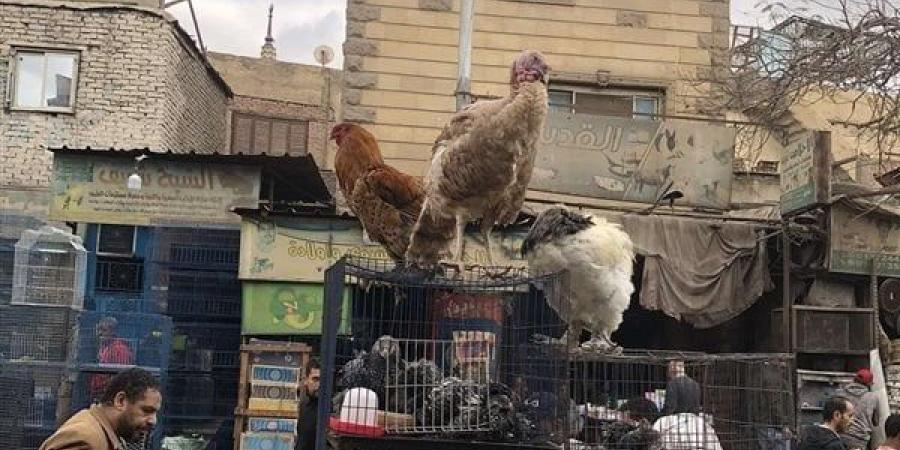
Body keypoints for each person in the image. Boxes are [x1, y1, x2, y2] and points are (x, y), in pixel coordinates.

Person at [40, 368, 161, 450]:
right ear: (120, 401)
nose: (153, 420)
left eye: (155, 413)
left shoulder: (107, 434)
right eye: (147, 410)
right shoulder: (84, 439)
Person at [90, 317, 136, 398]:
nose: (99, 333)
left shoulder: (120, 349)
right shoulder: (103, 347)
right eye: (98, 330)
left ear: (113, 332)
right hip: (99, 394)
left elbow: (121, 377)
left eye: (104, 330)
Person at [838, 369, 879, 450]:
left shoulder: (840, 394)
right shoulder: (873, 397)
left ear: (854, 379)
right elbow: (876, 422)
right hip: (860, 439)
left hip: (840, 436)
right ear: (869, 384)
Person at [296, 358, 321, 450]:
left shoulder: (331, 409)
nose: (319, 384)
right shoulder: (303, 405)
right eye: (315, 379)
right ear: (306, 380)